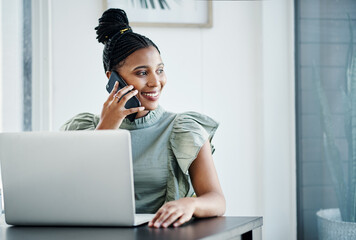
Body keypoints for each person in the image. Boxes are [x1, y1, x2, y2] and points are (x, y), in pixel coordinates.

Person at [61, 8, 225, 228]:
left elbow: (217, 200)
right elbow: (72, 193)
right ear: (113, 78)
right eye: (141, 73)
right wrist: (105, 129)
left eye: (159, 70)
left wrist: (189, 205)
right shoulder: (82, 129)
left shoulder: (183, 129)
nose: (155, 82)